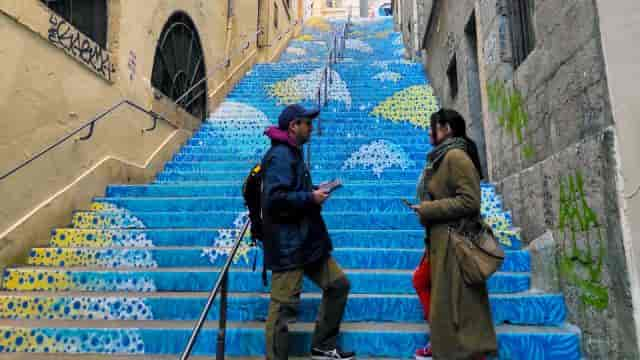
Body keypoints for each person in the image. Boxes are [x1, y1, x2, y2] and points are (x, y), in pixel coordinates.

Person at [261, 104, 355, 360]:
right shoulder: (280, 156)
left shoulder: (293, 154)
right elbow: (274, 200)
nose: (311, 128)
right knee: (282, 310)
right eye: (307, 123)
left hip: (307, 243)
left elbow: (291, 191)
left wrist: (314, 190)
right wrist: (310, 197)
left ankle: (323, 345)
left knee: (338, 284)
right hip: (289, 246)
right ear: (294, 126)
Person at [411, 109, 497, 360]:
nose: (429, 132)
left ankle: (460, 349)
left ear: (447, 129)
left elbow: (470, 202)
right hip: (440, 240)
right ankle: (441, 340)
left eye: (433, 127)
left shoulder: (456, 157)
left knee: (462, 302)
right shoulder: (441, 158)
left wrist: (428, 209)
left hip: (455, 241)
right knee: (424, 283)